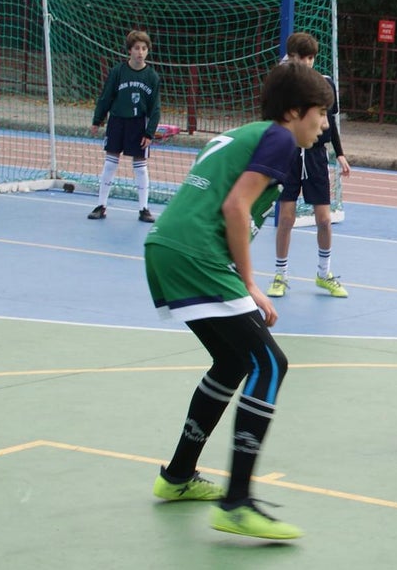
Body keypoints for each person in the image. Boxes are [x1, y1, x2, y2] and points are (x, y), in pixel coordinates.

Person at [144, 61, 332, 540]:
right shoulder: (280, 140)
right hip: (195, 252)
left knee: (232, 363)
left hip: (167, 246)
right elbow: (234, 207)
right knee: (271, 364)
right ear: (294, 112)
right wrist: (249, 282)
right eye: (321, 114)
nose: (325, 125)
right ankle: (237, 501)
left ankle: (178, 476)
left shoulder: (243, 134)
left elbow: (221, 206)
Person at [267, 32, 352, 299]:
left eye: (310, 57)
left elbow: (331, 122)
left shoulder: (324, 84)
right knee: (286, 218)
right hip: (288, 155)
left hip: (315, 157)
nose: (306, 62)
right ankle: (281, 275)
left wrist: (339, 153)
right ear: (291, 58)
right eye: (299, 57)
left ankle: (324, 273)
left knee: (324, 219)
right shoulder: (284, 85)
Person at [88, 30, 162, 223]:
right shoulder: (118, 71)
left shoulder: (152, 76)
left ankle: (144, 208)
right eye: (137, 48)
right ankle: (101, 205)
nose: (140, 52)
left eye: (144, 48)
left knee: (140, 167)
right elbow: (106, 96)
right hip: (117, 121)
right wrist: (98, 119)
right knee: (110, 163)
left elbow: (155, 107)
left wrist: (150, 132)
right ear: (129, 50)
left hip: (139, 124)